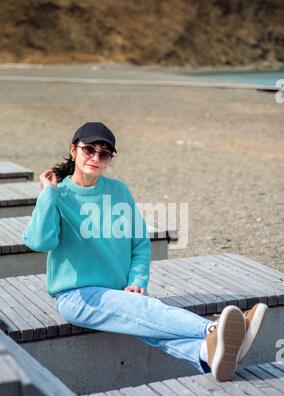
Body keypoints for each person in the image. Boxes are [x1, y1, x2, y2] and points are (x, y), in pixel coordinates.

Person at [22, 121, 268, 382]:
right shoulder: (58, 196)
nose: (95, 157)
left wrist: (138, 281)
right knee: (145, 310)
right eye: (89, 149)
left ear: (109, 159)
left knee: (148, 320)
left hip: (121, 291)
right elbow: (39, 242)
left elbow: (139, 243)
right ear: (74, 150)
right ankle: (213, 329)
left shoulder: (119, 191)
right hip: (77, 296)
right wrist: (48, 194)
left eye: (103, 153)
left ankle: (207, 353)